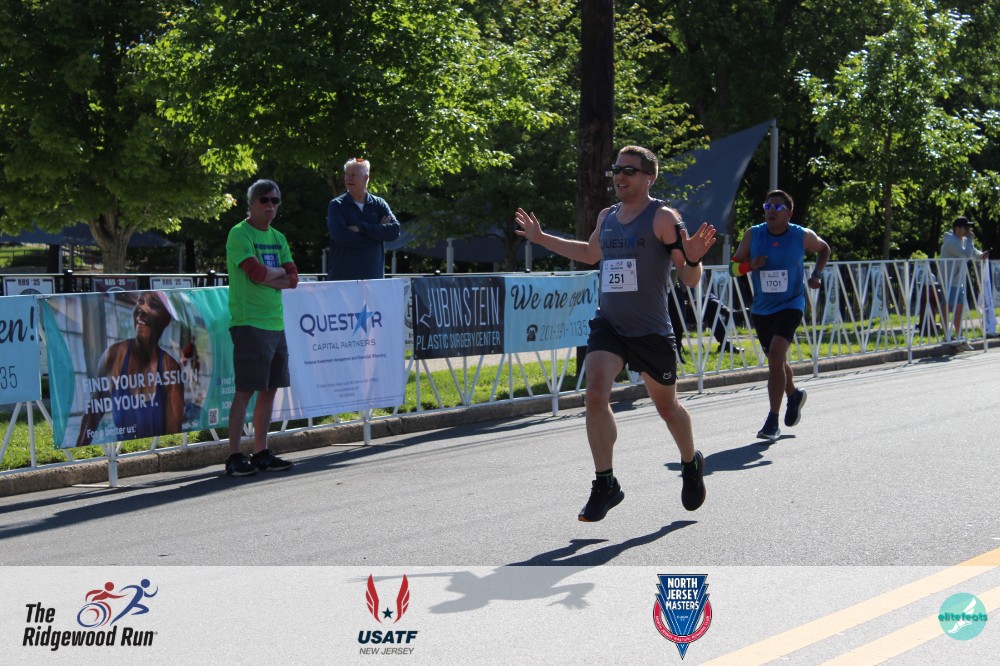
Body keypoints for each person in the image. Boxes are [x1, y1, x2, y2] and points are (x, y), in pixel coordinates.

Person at [514, 145, 716, 522]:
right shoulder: (607, 216)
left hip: (650, 331)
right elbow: (590, 253)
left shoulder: (662, 217)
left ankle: (691, 463)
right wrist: (542, 238)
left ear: (649, 178)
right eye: (616, 169)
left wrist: (693, 257)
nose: (619, 176)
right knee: (594, 394)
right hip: (609, 324)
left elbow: (690, 278)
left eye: (628, 171)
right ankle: (605, 483)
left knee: (667, 408)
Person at [730, 189, 831, 442]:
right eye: (767, 206)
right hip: (762, 309)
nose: (770, 211)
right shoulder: (754, 234)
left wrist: (817, 275)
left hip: (791, 304)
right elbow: (732, 268)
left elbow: (824, 249)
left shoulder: (801, 235)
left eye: (777, 207)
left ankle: (772, 421)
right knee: (777, 360)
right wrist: (750, 265)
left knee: (775, 356)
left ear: (789, 213)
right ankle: (794, 395)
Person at [224, 179, 298, 476]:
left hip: (275, 323)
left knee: (269, 389)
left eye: (275, 201)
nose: (270, 206)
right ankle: (234, 456)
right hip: (249, 322)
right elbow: (253, 273)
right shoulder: (239, 233)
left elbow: (293, 279)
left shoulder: (278, 237)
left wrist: (270, 275)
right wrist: (275, 275)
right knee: (245, 390)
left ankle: (260, 452)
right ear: (252, 203)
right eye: (264, 200)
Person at [76, 290, 184, 446]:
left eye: (153, 305)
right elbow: (92, 415)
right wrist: (76, 454)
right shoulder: (115, 356)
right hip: (123, 454)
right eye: (140, 301)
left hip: (155, 452)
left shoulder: (169, 368)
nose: (142, 309)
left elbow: (174, 438)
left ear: (165, 319)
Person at [326, 157, 401, 280]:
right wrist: (377, 235)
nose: (348, 178)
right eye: (347, 174)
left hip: (373, 280)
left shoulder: (379, 204)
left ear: (366, 178)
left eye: (353, 175)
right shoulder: (336, 205)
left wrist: (361, 228)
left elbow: (394, 231)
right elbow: (341, 237)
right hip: (343, 280)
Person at [939, 216, 989, 350]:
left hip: (957, 280)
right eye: (966, 227)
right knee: (947, 307)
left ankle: (959, 337)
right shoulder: (950, 242)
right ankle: (947, 336)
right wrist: (971, 239)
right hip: (947, 280)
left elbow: (972, 252)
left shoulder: (963, 240)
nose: (968, 230)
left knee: (959, 308)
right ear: (957, 228)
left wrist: (980, 255)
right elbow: (965, 254)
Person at [667, 280, 737, 362]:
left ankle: (728, 316)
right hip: (675, 312)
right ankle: (728, 313)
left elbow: (687, 298)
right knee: (710, 300)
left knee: (711, 308)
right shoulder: (670, 281)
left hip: (684, 309)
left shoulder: (681, 282)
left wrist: (688, 301)